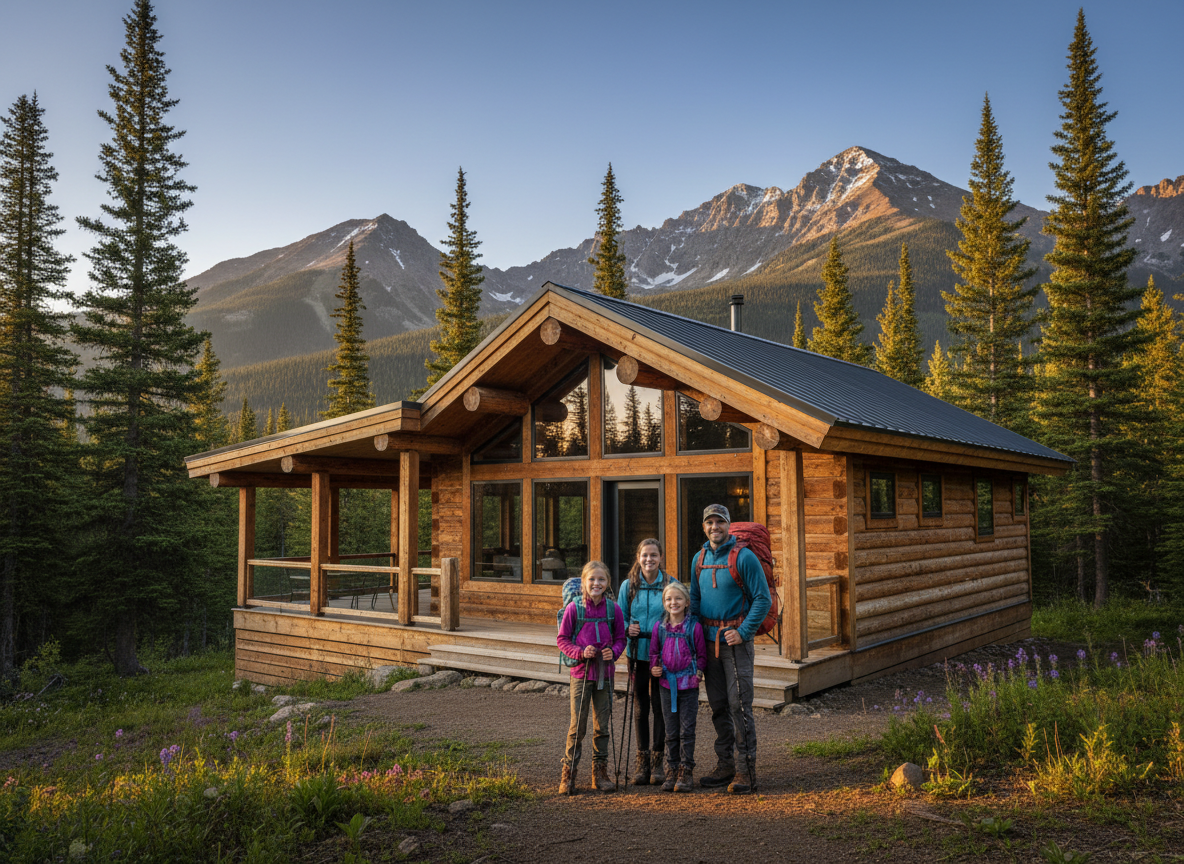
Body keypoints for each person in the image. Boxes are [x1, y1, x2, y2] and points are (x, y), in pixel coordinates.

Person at [689, 503, 770, 794]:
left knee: (739, 706)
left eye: (720, 522)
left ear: (728, 525)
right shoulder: (698, 559)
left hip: (736, 644)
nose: (715, 527)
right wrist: (693, 639)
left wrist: (744, 631)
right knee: (718, 706)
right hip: (709, 645)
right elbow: (694, 602)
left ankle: (745, 769)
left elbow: (763, 599)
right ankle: (725, 765)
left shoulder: (744, 557)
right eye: (710, 522)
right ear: (704, 527)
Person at [556, 560, 626, 794]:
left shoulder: (613, 609)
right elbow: (562, 639)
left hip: (604, 674)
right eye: (592, 579)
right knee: (578, 726)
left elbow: (620, 639)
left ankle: (600, 773)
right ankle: (569, 774)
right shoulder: (574, 608)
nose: (596, 583)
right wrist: (579, 652)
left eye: (601, 579)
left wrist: (613, 653)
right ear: (584, 582)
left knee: (602, 725)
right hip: (580, 673)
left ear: (607, 583)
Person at [618, 538, 674, 786]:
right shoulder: (628, 586)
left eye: (654, 555)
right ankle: (642, 762)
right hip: (637, 653)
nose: (649, 560)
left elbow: (680, 615)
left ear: (660, 557)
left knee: (660, 706)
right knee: (640, 706)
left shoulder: (671, 584)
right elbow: (619, 619)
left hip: (662, 655)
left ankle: (658, 762)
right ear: (638, 558)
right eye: (644, 555)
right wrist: (626, 629)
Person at [649, 580, 706, 792]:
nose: (674, 602)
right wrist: (654, 667)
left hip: (688, 686)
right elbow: (654, 653)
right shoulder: (659, 628)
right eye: (669, 599)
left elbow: (701, 655)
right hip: (666, 684)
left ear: (687, 602)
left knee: (687, 729)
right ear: (664, 603)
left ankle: (686, 770)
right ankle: (671, 769)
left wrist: (698, 671)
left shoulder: (694, 627)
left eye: (678, 598)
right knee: (670, 730)